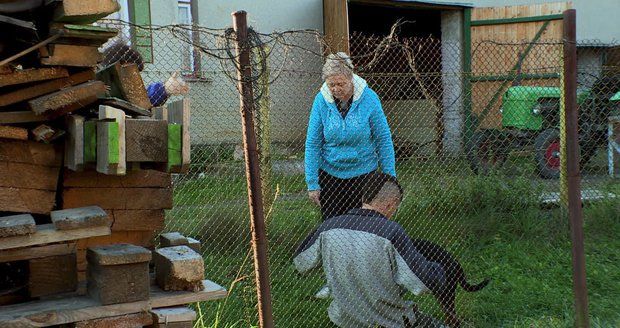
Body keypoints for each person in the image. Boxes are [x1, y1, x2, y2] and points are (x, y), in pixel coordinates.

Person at [294, 172, 446, 328]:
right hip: (389, 321)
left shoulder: (329, 226)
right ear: (391, 203)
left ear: (363, 199)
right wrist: (439, 271)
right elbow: (421, 281)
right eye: (396, 206)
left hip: (344, 320)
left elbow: (301, 262)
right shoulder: (391, 231)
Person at [305, 52, 396, 220]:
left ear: (351, 78)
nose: (335, 89)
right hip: (330, 175)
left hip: (364, 174)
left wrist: (389, 178)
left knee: (363, 225)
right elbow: (312, 143)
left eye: (341, 84)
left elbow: (383, 139)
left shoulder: (370, 98)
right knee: (333, 225)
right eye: (331, 84)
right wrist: (312, 183)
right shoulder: (320, 101)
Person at [101, 42, 189, 107]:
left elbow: (142, 102)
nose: (133, 78)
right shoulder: (101, 86)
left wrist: (164, 89)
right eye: (130, 71)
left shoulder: (128, 88)